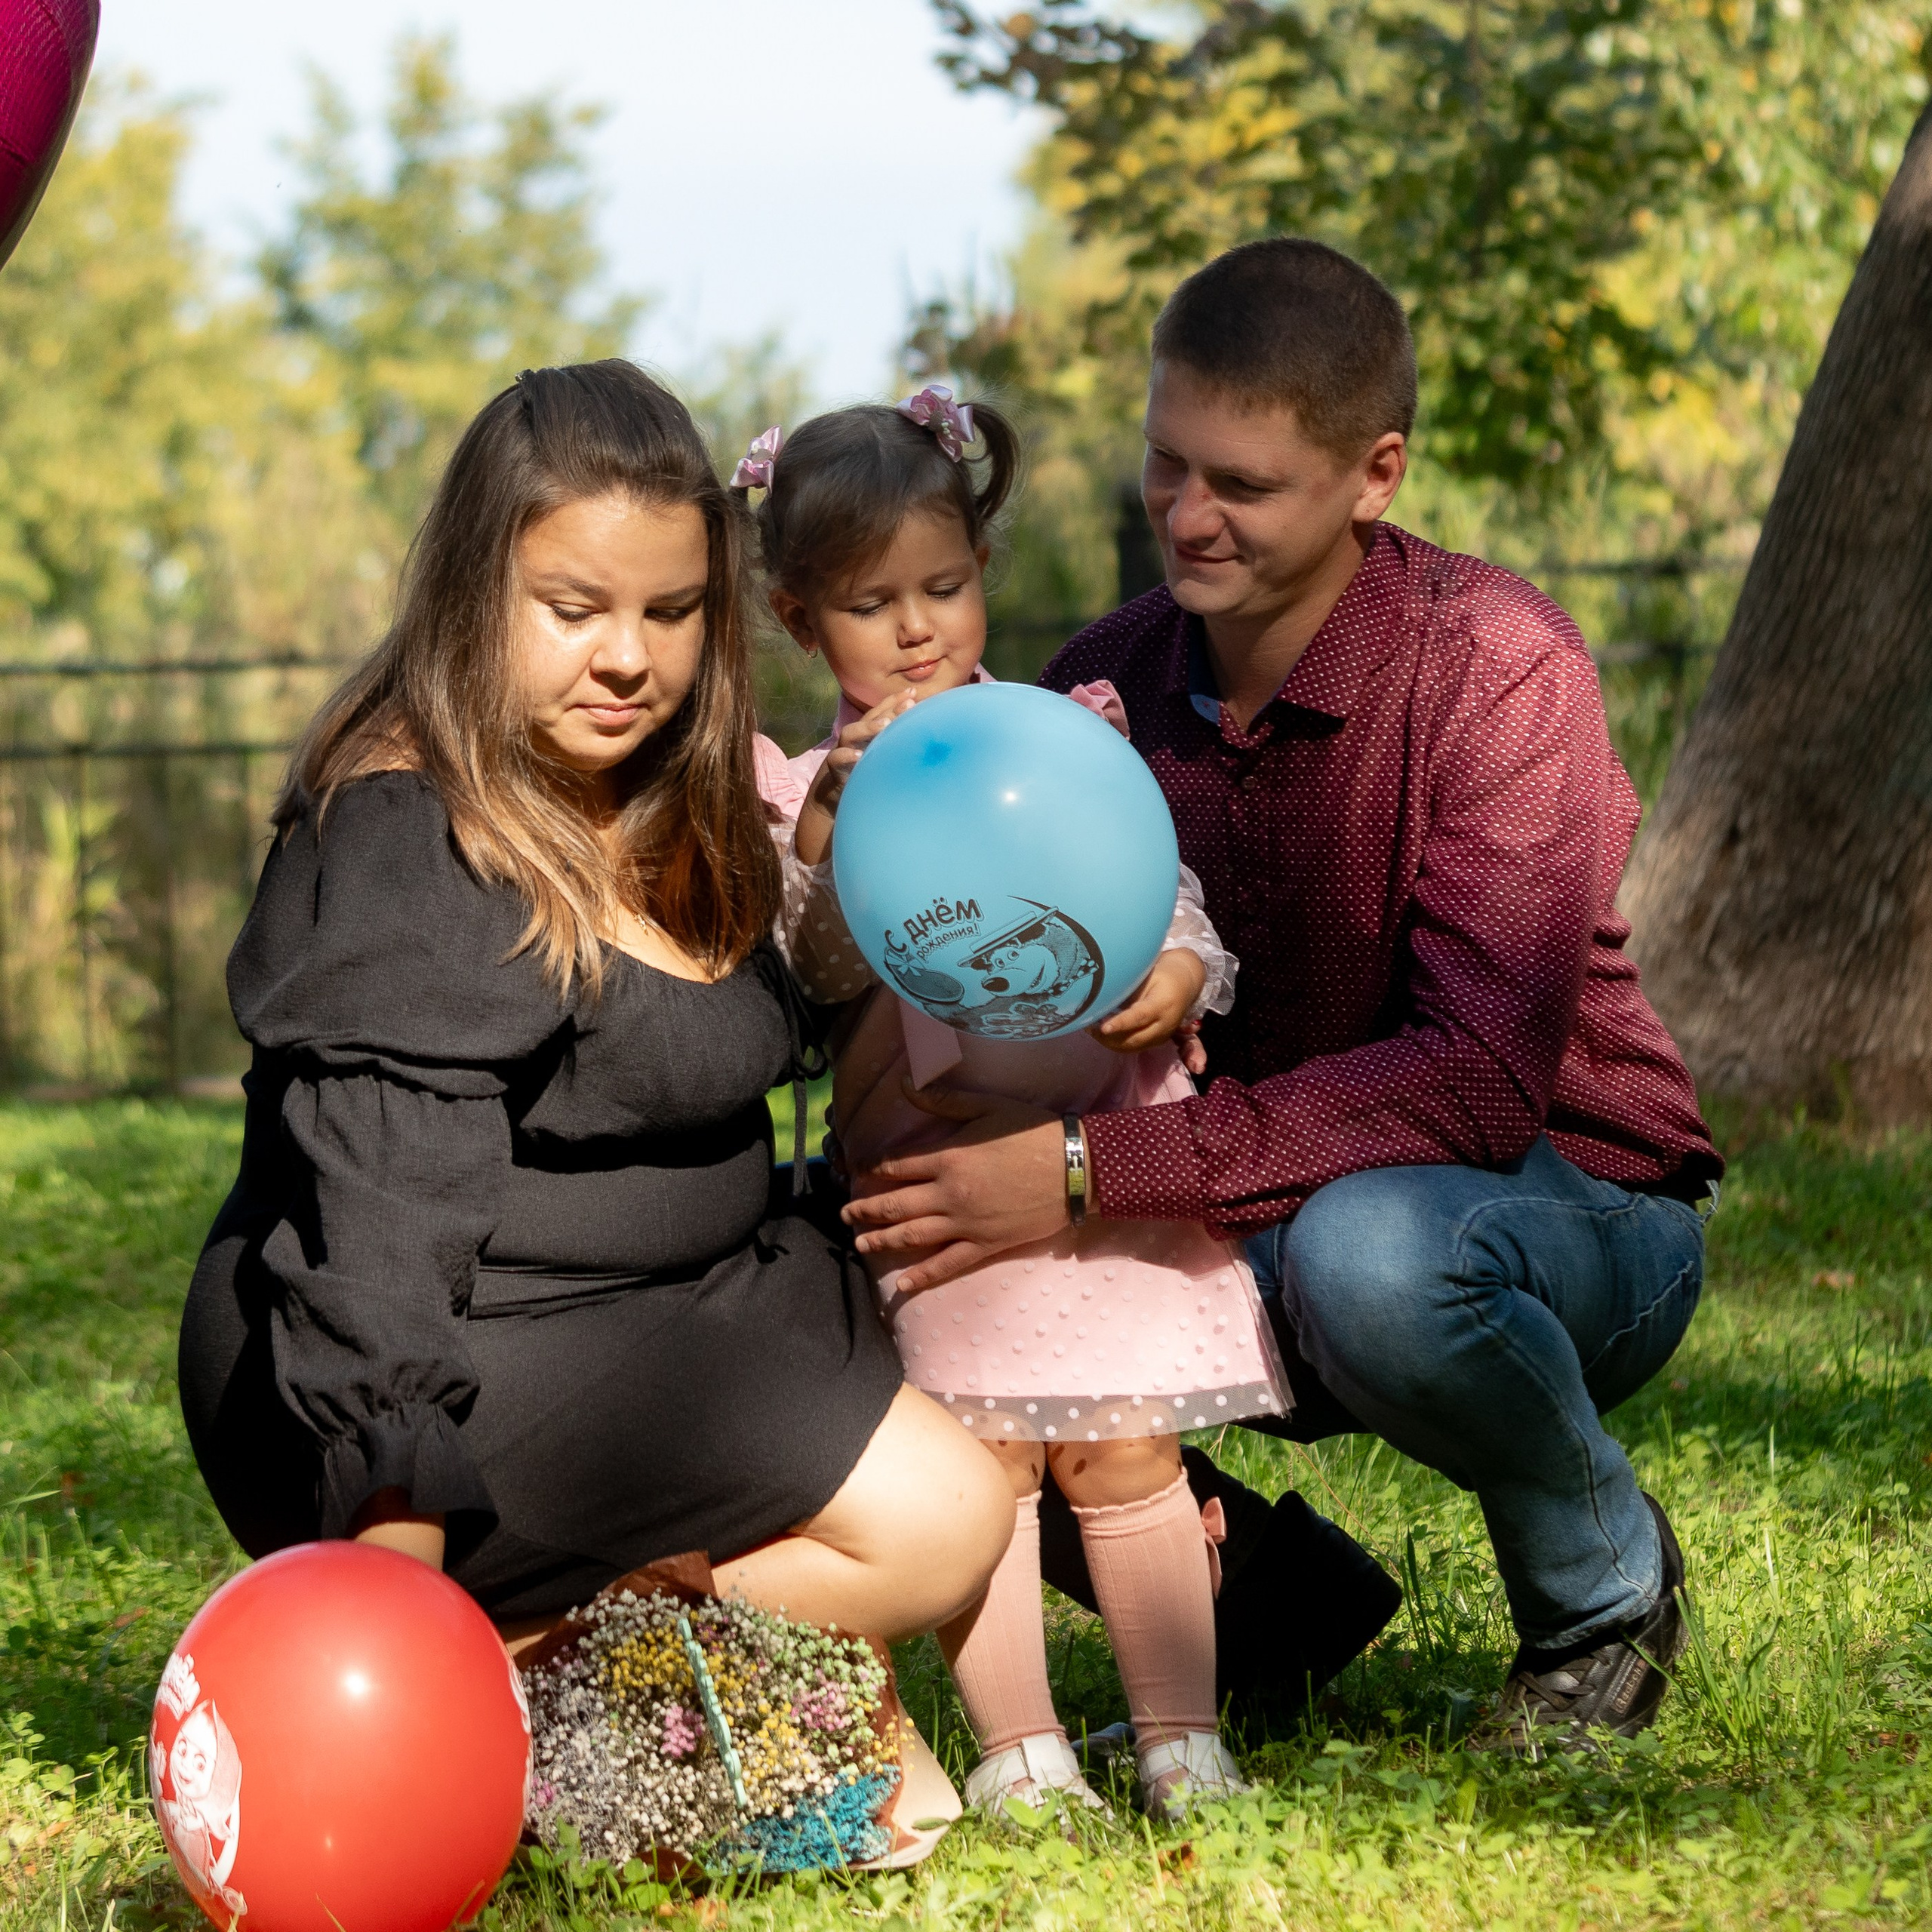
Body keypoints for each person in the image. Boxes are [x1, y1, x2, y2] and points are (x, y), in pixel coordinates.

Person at [841, 240, 1723, 1755]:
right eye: (1163, 463)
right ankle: (1258, 1634)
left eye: (1240, 485)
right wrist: (850, 839)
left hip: (1557, 1209)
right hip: (1232, 1198)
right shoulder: (1096, 686)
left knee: (1364, 1250)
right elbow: (996, 999)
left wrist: (1073, 1175)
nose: (1185, 517)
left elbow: (1468, 1083)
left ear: (1373, 472)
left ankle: (1603, 1585)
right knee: (880, 1261)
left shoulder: (1497, 666)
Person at [176, 361, 1013, 1858]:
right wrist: (390, 1593)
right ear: (472, 589)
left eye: (672, 611)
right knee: (933, 1522)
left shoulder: (657, 784)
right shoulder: (412, 825)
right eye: (575, 606)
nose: (628, 656)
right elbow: (383, 1209)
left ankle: (591, 1690)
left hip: (672, 1312)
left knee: (947, 1527)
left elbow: (749, 1036)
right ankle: (501, 1694)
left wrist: (852, 851)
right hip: (452, 1349)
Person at [736, 389, 1289, 1820]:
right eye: (872, 602)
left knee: (1127, 1442)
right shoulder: (804, 791)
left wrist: (1182, 965)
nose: (918, 628)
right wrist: (832, 830)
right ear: (803, 622)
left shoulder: (1063, 734)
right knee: (988, 1463)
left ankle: (1181, 1735)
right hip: (943, 1176)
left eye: (945, 585)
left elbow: (1151, 876)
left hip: (1101, 1148)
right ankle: (1022, 1751)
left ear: (985, 570)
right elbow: (809, 976)